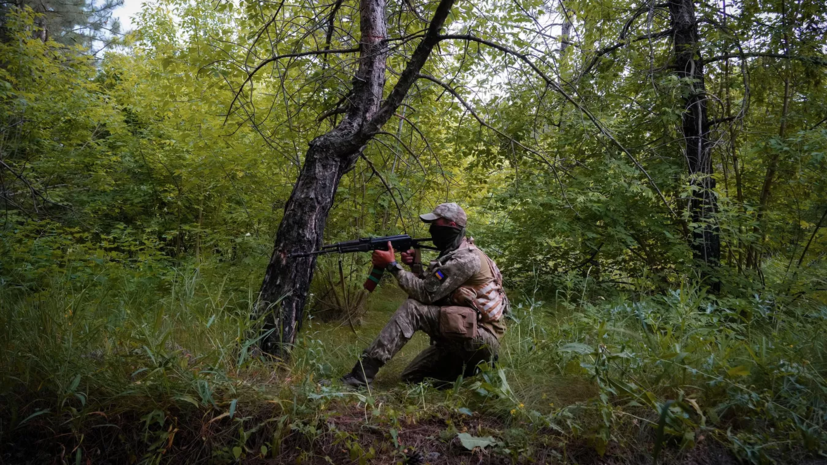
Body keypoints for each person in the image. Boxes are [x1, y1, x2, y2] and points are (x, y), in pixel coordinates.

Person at [341, 203, 509, 387]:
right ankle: (465, 373)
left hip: (481, 342)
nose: (431, 229)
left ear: (451, 225)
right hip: (463, 338)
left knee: (413, 309)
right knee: (410, 380)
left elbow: (424, 295)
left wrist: (392, 266)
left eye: (436, 223)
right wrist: (415, 266)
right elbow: (433, 289)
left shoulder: (466, 259)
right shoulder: (456, 253)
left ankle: (360, 377)